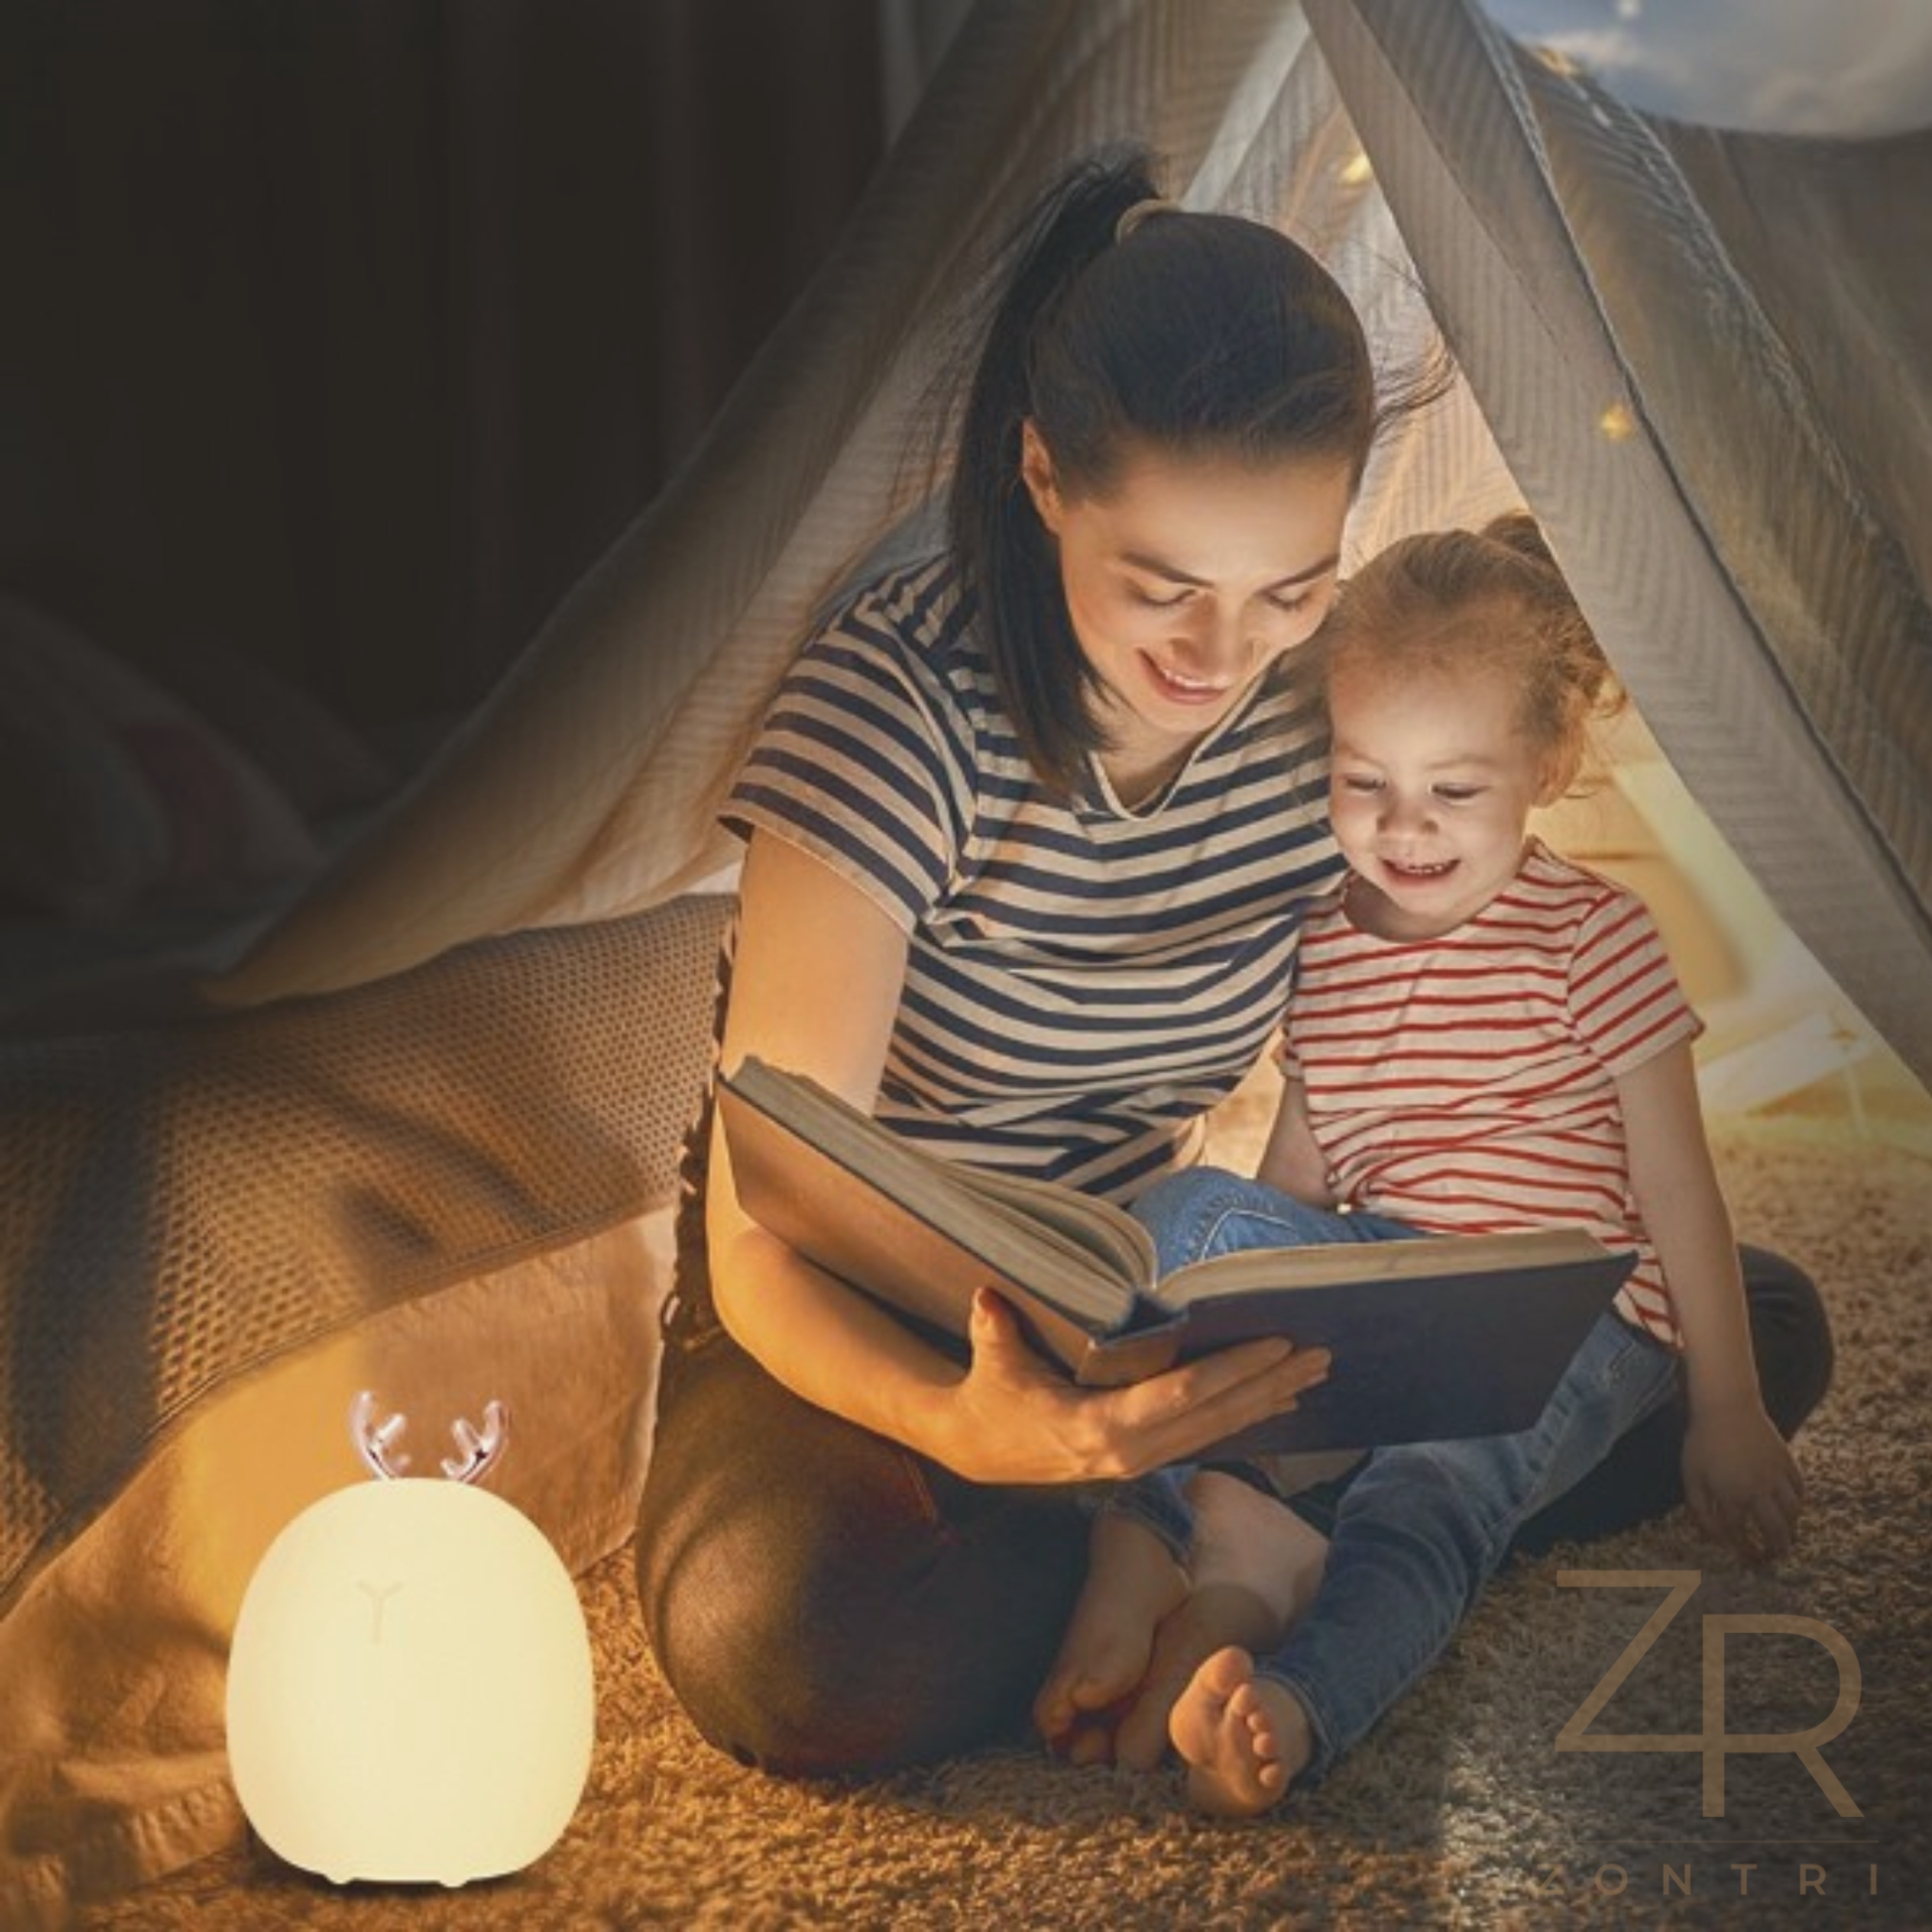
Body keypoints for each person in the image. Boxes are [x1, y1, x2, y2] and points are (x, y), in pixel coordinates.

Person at [631, 148, 1831, 1783]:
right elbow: (766, 1222)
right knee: (800, 1641)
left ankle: (1219, 1528)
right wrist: (967, 1423)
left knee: (1742, 1324)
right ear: (1044, 477)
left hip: (1144, 1293)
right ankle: (1251, 1530)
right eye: (1161, 587)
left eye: (1289, 588)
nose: (1221, 654)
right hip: (865, 1331)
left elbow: (1454, 953)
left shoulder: (1310, 717)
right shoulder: (898, 709)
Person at [1048, 513, 1814, 1815]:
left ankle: (1300, 1702)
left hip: (1565, 1314)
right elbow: (1299, 1165)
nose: (1402, 828)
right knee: (1180, 1211)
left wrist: (1726, 1406)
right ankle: (1166, 1549)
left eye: (1451, 789)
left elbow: (1678, 1186)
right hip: (1393, 1289)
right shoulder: (1327, 941)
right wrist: (1233, 1317)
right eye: (1363, 780)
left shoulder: (1595, 937)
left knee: (1431, 1491)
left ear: (1546, 761)